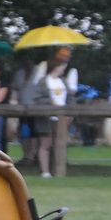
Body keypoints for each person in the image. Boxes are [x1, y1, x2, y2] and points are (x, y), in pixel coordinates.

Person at [32, 47, 78, 177]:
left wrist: (70, 113)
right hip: (46, 117)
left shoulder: (63, 81)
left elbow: (70, 98)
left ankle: (59, 170)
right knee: (46, 143)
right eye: (60, 66)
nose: (63, 68)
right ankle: (45, 171)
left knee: (59, 144)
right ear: (55, 67)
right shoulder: (43, 81)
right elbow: (37, 99)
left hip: (62, 117)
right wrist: (51, 103)